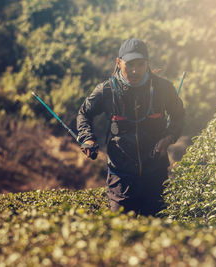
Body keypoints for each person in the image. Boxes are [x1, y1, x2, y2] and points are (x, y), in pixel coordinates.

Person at [76, 38, 184, 216]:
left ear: (147, 64)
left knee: (158, 233)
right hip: (121, 177)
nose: (135, 71)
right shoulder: (106, 90)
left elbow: (179, 116)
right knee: (122, 232)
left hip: (155, 175)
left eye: (140, 65)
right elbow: (84, 113)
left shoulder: (163, 88)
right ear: (118, 63)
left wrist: (169, 137)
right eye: (129, 64)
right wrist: (87, 137)